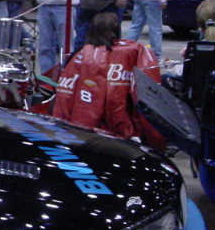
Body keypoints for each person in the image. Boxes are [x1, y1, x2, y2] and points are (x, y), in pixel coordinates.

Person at [54, 12, 165, 150]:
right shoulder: (131, 52)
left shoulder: (78, 57)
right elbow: (120, 101)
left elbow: (63, 100)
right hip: (116, 134)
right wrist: (131, 133)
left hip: (78, 133)